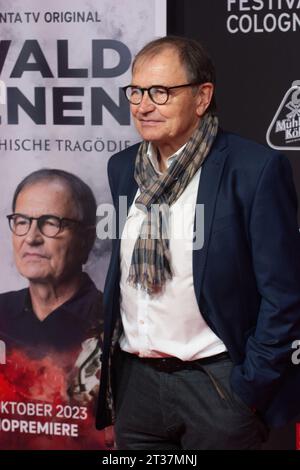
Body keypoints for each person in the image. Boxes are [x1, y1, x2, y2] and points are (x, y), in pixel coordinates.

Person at [95, 36, 300, 450]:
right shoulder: (122, 168)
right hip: (136, 385)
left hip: (219, 388)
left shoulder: (254, 170)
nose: (143, 105)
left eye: (161, 92)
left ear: (202, 96)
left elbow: (284, 295)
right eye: (135, 91)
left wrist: (249, 388)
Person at [0, 169, 103, 354]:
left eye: (51, 223)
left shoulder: (112, 322)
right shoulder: (2, 312)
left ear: (86, 239)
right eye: (22, 221)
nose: (31, 238)